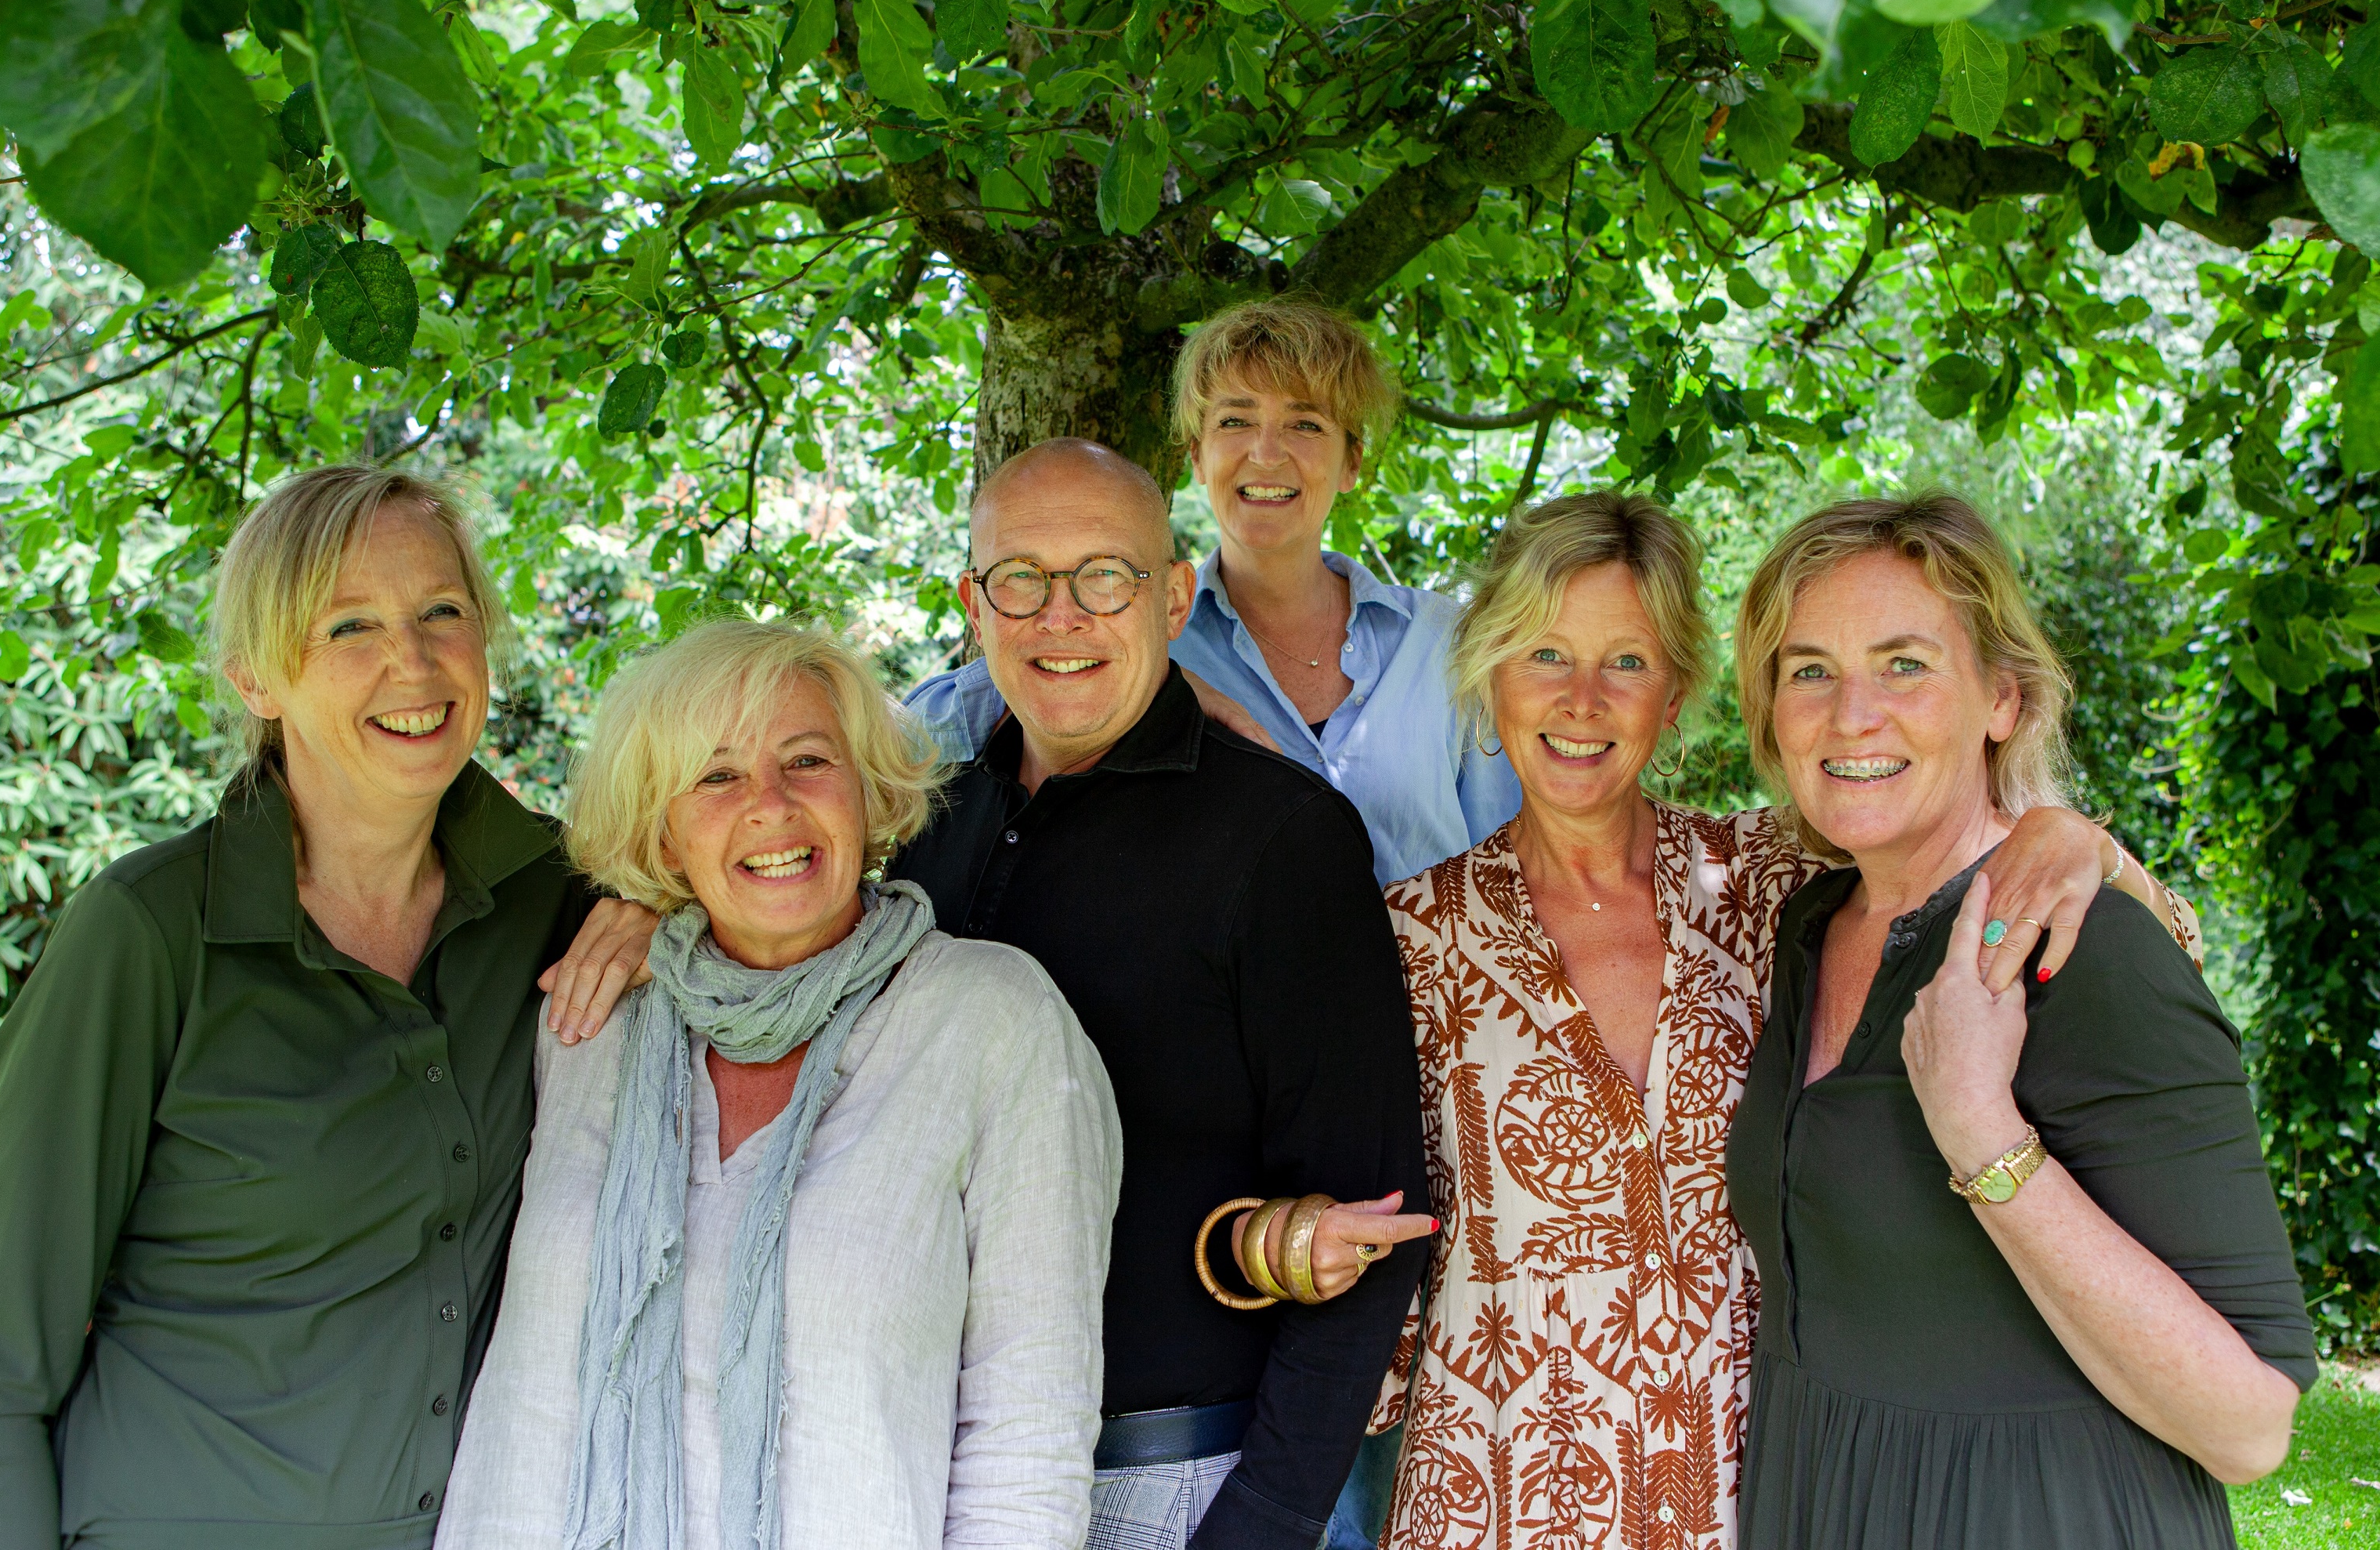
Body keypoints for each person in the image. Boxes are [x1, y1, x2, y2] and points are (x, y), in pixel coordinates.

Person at [1367, 491, 2201, 1550]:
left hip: (1761, 1489)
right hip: (1499, 1491)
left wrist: (2088, 848)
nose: (1581, 699)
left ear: (1673, 693)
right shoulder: (1406, 939)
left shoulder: (1774, 883)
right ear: (1491, 677)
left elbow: (2159, 945)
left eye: (1625, 660)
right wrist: (1277, 1245)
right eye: (1543, 654)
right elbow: (1360, 1228)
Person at [0, 465, 654, 1548]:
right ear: (256, 677)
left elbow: (764, 898)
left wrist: (660, 914)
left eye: (442, 611)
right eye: (349, 625)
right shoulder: (146, 932)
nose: (414, 662)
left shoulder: (555, 896)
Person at [435, 617, 1119, 1548]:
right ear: (663, 836)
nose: (769, 804)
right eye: (715, 776)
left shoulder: (992, 1021)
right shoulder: (593, 1020)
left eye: (806, 760)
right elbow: (522, 1398)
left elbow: (1028, 1434)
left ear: (870, 794)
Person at [1724, 493, 2312, 1550]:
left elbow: (2249, 1423)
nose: (1850, 714)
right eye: (1808, 670)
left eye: (1904, 664)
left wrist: (1982, 1135)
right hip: (1822, 1498)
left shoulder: (2084, 951)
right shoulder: (1805, 925)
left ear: (2001, 696)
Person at [885, 438, 1438, 1550]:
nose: (1061, 615)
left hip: (1170, 1481)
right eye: (1020, 578)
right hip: (921, 1469)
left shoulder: (1281, 841)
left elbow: (1374, 1226)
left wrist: (1261, 1525)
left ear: (1174, 598)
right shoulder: (923, 831)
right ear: (973, 605)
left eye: (1105, 575)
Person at [906, 298, 1519, 888]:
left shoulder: (1446, 641)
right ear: (1197, 456)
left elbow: (1514, 857)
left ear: (1352, 461)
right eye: (1235, 420)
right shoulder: (1135, 642)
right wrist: (1170, 677)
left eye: (1305, 423)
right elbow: (921, 732)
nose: (1267, 453)